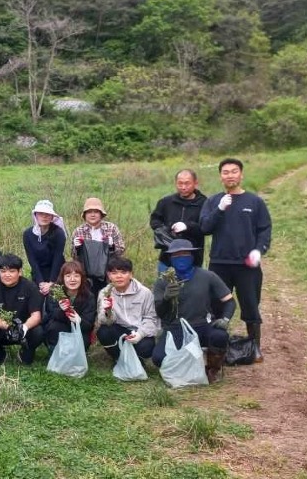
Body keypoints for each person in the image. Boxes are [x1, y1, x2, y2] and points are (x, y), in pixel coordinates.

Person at [200, 158, 272, 363]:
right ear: (220, 176)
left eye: (234, 171)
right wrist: (220, 209)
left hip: (246, 265)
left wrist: (259, 250)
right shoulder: (213, 201)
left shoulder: (255, 202)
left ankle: (254, 346)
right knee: (216, 305)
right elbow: (204, 227)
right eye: (225, 172)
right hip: (219, 263)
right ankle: (216, 347)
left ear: (241, 175)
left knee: (250, 304)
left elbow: (264, 230)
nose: (230, 175)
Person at [152, 239, 236, 383]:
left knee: (220, 336)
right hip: (175, 327)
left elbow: (229, 301)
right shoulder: (163, 281)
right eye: (176, 255)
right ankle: (187, 365)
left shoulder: (207, 276)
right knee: (159, 358)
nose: (181, 258)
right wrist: (166, 298)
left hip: (203, 324)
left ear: (192, 256)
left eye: (185, 254)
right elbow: (160, 313)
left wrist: (225, 319)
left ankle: (211, 369)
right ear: (170, 258)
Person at [0, 254, 44, 365]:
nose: (7, 275)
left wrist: (24, 327)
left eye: (12, 271)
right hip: (2, 329)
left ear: (20, 272)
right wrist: (7, 326)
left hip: (23, 329)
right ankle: (0, 356)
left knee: (38, 332)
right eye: (3, 271)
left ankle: (25, 353)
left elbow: (36, 315)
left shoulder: (30, 287)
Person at [95, 257, 159, 362]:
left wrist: (139, 334)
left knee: (146, 348)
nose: (119, 276)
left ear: (131, 274)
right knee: (103, 332)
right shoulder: (105, 292)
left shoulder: (144, 292)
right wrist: (108, 311)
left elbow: (151, 318)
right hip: (119, 330)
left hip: (139, 330)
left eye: (124, 272)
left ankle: (137, 361)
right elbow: (104, 321)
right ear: (109, 275)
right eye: (114, 273)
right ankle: (119, 359)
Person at [150, 169, 207, 271]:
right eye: (180, 184)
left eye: (187, 183)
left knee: (192, 286)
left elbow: (206, 227)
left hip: (193, 259)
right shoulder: (166, 202)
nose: (183, 187)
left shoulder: (204, 203)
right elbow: (155, 220)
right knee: (165, 286)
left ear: (195, 183)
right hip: (167, 259)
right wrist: (166, 230)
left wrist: (188, 226)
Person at [71, 197, 125, 294]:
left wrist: (112, 246)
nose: (92, 214)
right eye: (89, 212)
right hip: (86, 275)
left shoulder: (111, 228)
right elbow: (75, 258)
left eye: (96, 211)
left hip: (108, 273)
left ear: (101, 214)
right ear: (85, 215)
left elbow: (120, 251)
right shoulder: (78, 231)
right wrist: (77, 248)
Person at [44, 261, 97, 352]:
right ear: (62, 278)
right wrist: (62, 310)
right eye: (68, 276)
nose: (72, 279)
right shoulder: (55, 292)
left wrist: (79, 320)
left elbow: (88, 325)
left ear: (82, 278)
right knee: (55, 328)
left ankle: (75, 355)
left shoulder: (89, 296)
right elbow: (50, 315)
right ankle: (55, 351)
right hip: (59, 327)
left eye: (76, 276)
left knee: (84, 340)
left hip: (79, 329)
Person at [23, 200, 67, 297]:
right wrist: (41, 282)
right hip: (38, 274)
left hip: (56, 273)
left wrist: (51, 283)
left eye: (47, 214)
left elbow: (58, 258)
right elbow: (32, 259)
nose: (44, 216)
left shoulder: (58, 233)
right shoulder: (27, 234)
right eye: (41, 214)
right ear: (35, 215)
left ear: (52, 217)